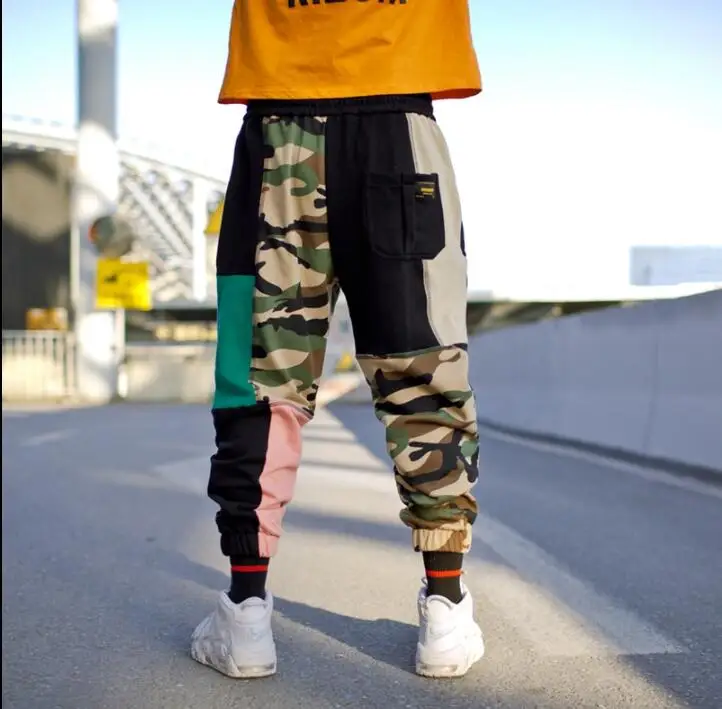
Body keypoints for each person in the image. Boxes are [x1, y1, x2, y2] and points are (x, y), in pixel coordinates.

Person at [191, 0, 484, 680]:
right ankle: (444, 609)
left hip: (279, 130)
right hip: (399, 123)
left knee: (260, 378)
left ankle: (246, 614)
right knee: (423, 367)